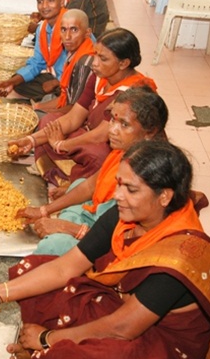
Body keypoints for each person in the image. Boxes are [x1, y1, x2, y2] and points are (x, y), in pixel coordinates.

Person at [0, 141, 210, 359]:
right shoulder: (125, 217)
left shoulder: (179, 258)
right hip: (125, 306)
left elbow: (122, 328)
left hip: (164, 343)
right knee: (33, 269)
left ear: (164, 196)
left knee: (98, 358)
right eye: (118, 184)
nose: (117, 195)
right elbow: (67, 266)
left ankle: (43, 352)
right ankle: (43, 352)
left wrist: (50, 338)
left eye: (130, 189)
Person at [19, 87, 168, 256]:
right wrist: (44, 210)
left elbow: (129, 239)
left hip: (116, 239)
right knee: (79, 183)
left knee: (51, 247)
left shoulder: (151, 175)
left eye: (124, 125)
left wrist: (70, 228)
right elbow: (90, 186)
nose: (112, 130)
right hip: (102, 217)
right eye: (113, 120)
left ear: (150, 132)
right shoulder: (127, 151)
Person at [9, 27, 157, 188]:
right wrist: (31, 140)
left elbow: (100, 136)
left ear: (124, 63)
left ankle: (78, 183)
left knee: (97, 156)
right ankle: (67, 174)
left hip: (114, 147)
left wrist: (61, 145)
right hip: (90, 133)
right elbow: (74, 117)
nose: (94, 63)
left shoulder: (133, 93)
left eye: (103, 59)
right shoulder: (100, 76)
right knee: (50, 122)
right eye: (95, 55)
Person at [0, 0, 67, 102]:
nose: (44, 6)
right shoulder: (42, 29)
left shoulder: (72, 27)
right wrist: (11, 82)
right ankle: (56, 99)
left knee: (70, 92)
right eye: (40, 1)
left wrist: (56, 82)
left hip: (76, 81)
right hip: (58, 76)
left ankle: (61, 101)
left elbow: (84, 67)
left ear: (62, 1)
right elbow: (37, 63)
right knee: (19, 82)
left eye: (50, 0)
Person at [31, 9, 95, 115]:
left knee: (36, 117)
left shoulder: (84, 63)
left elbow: (76, 109)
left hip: (77, 116)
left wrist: (38, 111)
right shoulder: (74, 52)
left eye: (74, 30)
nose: (67, 37)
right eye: (63, 30)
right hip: (67, 102)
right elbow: (65, 96)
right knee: (44, 100)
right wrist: (36, 107)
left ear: (87, 33)